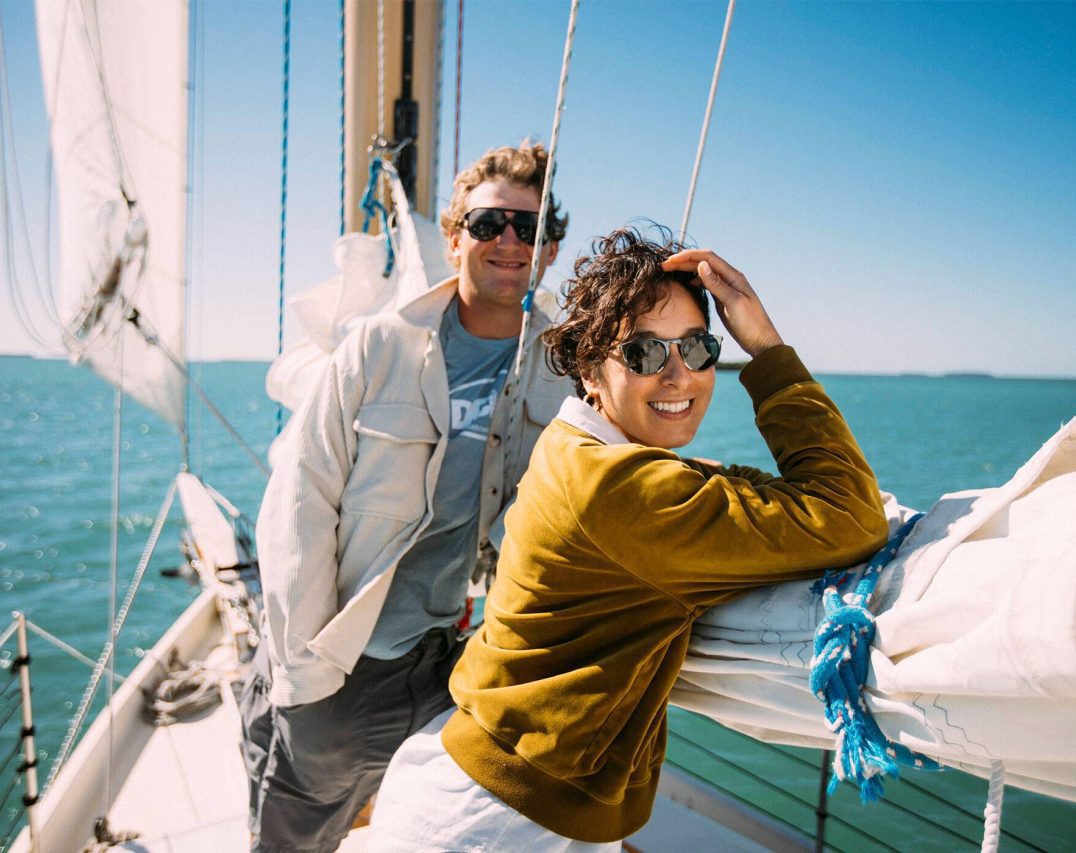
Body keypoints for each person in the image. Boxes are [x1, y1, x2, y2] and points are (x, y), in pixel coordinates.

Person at [367, 226, 890, 851]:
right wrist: (767, 348)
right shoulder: (618, 488)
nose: (678, 376)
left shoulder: (575, 449)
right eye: (644, 354)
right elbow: (850, 513)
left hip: (495, 777)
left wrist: (720, 481)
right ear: (590, 368)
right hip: (495, 821)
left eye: (697, 349)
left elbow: (691, 490)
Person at [239, 142, 573, 852]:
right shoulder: (378, 347)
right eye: (489, 224)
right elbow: (297, 504)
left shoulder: (564, 369)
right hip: (345, 665)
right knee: (294, 834)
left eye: (530, 228)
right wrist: (308, 676)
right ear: (454, 238)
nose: (509, 241)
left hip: (450, 663)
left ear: (547, 253)